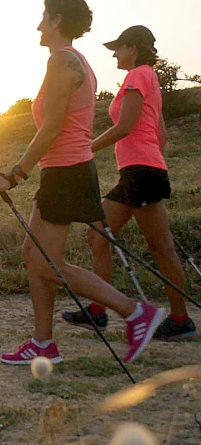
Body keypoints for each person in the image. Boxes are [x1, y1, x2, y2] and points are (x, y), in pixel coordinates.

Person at [0, 0, 165, 365]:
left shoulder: (62, 62)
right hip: (64, 170)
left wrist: (15, 174)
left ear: (57, 20)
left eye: (43, 18)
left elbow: (51, 128)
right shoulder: (72, 61)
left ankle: (133, 312)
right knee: (34, 255)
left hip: (67, 171)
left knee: (47, 262)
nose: (38, 25)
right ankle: (43, 343)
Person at [61, 25, 197, 341]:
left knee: (160, 247)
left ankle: (181, 320)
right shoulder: (147, 78)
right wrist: (150, 161)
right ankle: (97, 312)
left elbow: (124, 126)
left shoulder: (138, 75)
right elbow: (159, 133)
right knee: (98, 234)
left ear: (133, 48)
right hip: (139, 172)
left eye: (118, 48)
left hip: (142, 172)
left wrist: (86, 147)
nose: (114, 54)